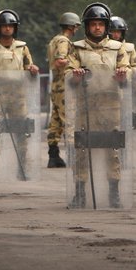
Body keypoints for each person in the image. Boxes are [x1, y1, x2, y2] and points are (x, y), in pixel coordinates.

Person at [66, 2, 130, 208]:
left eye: (100, 24)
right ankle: (80, 193)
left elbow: (128, 71)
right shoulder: (77, 49)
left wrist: (123, 76)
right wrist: (75, 76)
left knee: (112, 150)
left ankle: (114, 193)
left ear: (106, 27)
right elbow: (68, 74)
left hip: (111, 106)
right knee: (83, 150)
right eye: (93, 24)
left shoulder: (118, 48)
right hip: (86, 107)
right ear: (87, 26)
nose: (97, 28)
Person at [0, 9, 39, 181]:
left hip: (18, 97)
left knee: (21, 134)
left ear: (15, 28)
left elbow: (29, 67)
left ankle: (22, 169)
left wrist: (33, 70)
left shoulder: (22, 47)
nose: (7, 29)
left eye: (10, 26)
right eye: (4, 26)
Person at [46, 12, 81, 168]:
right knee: (70, 120)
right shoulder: (63, 41)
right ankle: (74, 155)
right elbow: (60, 61)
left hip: (56, 85)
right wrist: (76, 62)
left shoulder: (54, 40)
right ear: (72, 26)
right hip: (64, 85)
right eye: (76, 27)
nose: (76, 30)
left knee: (56, 120)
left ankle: (53, 155)